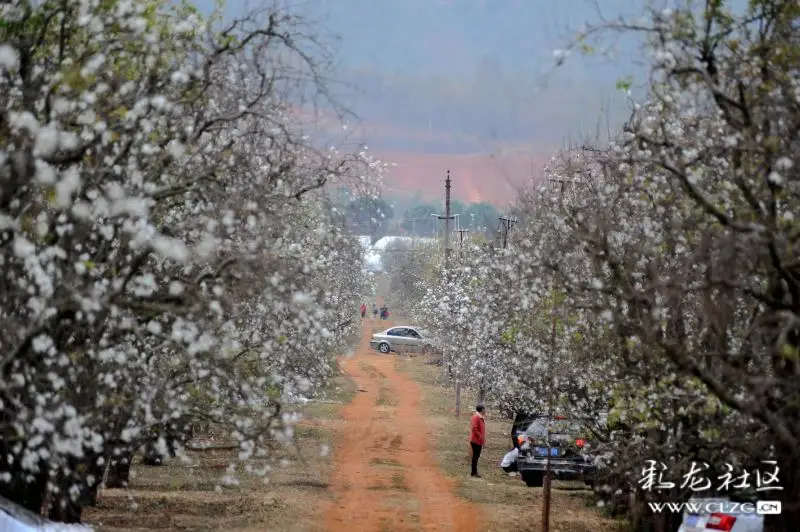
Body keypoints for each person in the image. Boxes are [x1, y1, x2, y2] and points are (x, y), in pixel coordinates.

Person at [469, 404, 486, 478]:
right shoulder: (476, 417)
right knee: (475, 457)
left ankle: (474, 472)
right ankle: (473, 472)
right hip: (475, 440)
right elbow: (474, 428)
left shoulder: (480, 417)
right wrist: (480, 436)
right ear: (482, 410)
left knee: (476, 456)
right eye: (484, 409)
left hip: (478, 440)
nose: (485, 411)